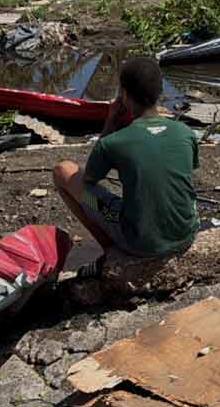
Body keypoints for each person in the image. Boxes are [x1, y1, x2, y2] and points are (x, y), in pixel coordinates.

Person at [53, 57, 199, 271]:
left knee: (63, 171)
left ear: (125, 95)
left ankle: (111, 250)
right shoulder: (186, 133)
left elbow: (89, 179)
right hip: (186, 233)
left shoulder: (114, 142)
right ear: (159, 94)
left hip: (139, 240)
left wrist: (110, 122)